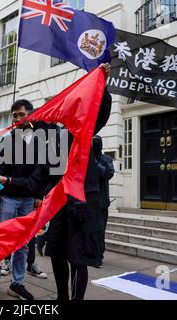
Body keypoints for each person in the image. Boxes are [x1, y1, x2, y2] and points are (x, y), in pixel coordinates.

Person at [44, 63, 112, 300]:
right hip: (60, 203)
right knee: (57, 253)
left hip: (83, 204)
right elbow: (47, 172)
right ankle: (62, 297)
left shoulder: (85, 130)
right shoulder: (55, 138)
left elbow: (101, 111)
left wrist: (102, 84)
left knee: (78, 256)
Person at [0, 99, 49, 300]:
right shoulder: (7, 141)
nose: (16, 118)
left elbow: (41, 175)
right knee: (0, 239)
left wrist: (39, 195)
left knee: (23, 243)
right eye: (14, 115)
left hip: (28, 199)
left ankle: (17, 283)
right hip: (8, 198)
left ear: (30, 115)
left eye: (20, 114)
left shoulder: (40, 142)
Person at [92, 135, 114, 267]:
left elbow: (108, 174)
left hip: (101, 202)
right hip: (88, 201)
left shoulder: (106, 159)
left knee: (100, 230)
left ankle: (98, 256)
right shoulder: (86, 158)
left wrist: (96, 164)